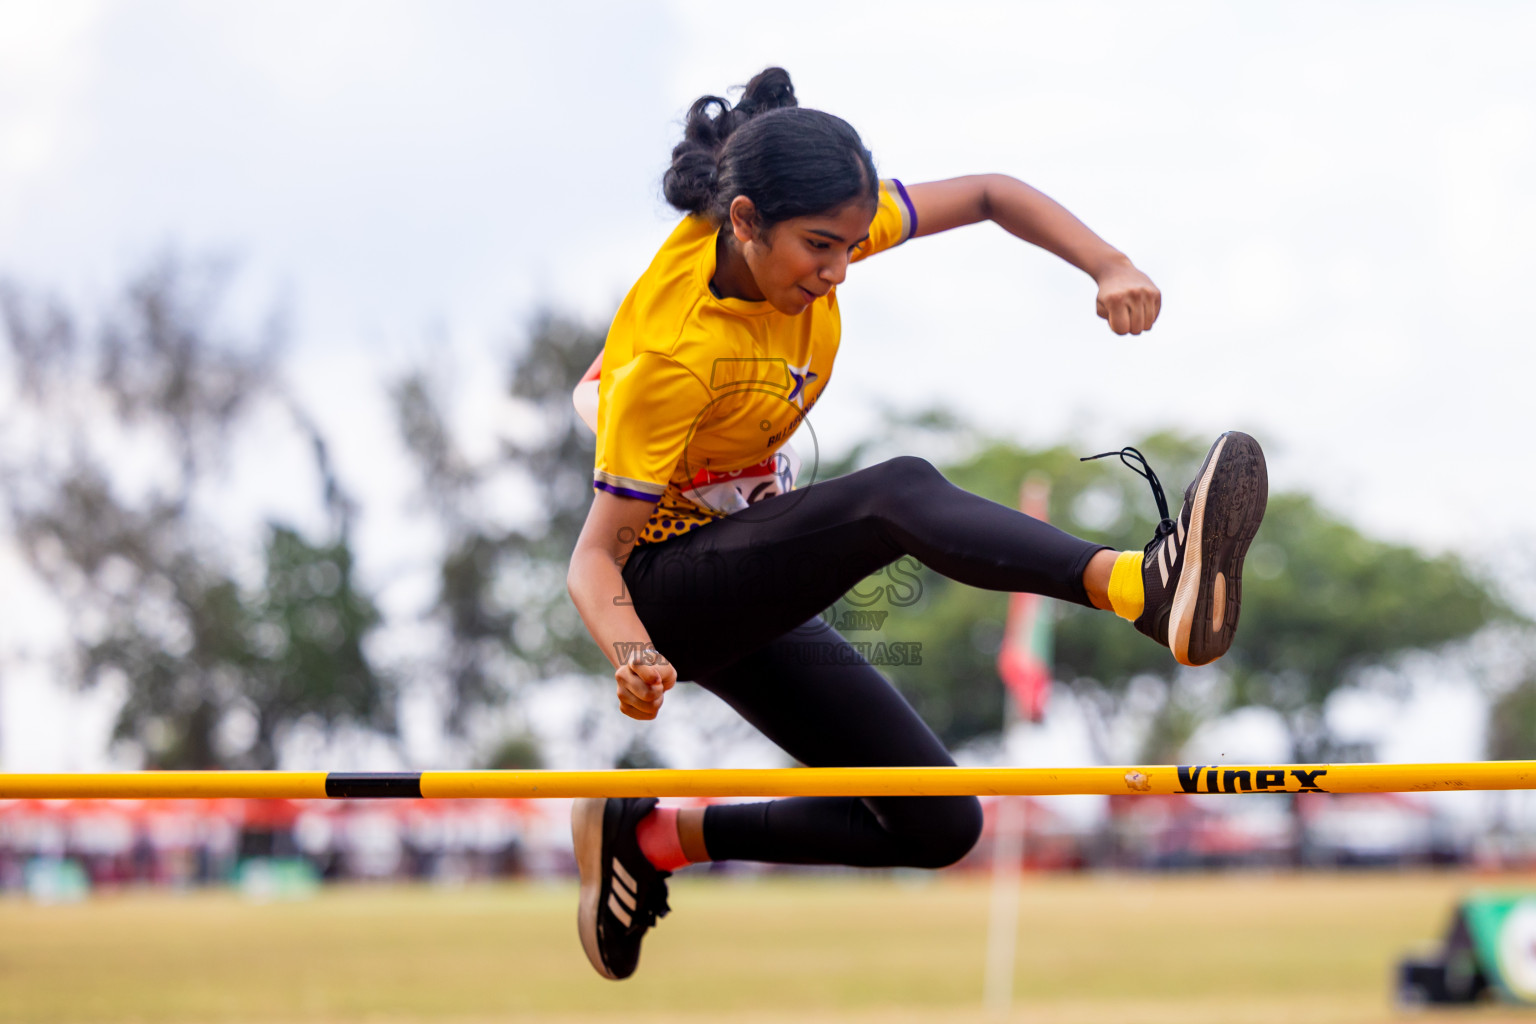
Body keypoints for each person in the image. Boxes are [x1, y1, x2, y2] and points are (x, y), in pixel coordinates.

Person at [564, 67, 1267, 981]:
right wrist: (631, 654)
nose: (838, 272)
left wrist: (1109, 263)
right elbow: (593, 561)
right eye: (821, 249)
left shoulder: (807, 229)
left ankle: (651, 838)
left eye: (853, 245)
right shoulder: (674, 352)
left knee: (938, 821)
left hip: (740, 571)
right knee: (891, 493)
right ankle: (1139, 587)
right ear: (743, 221)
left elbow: (990, 194)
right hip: (665, 596)